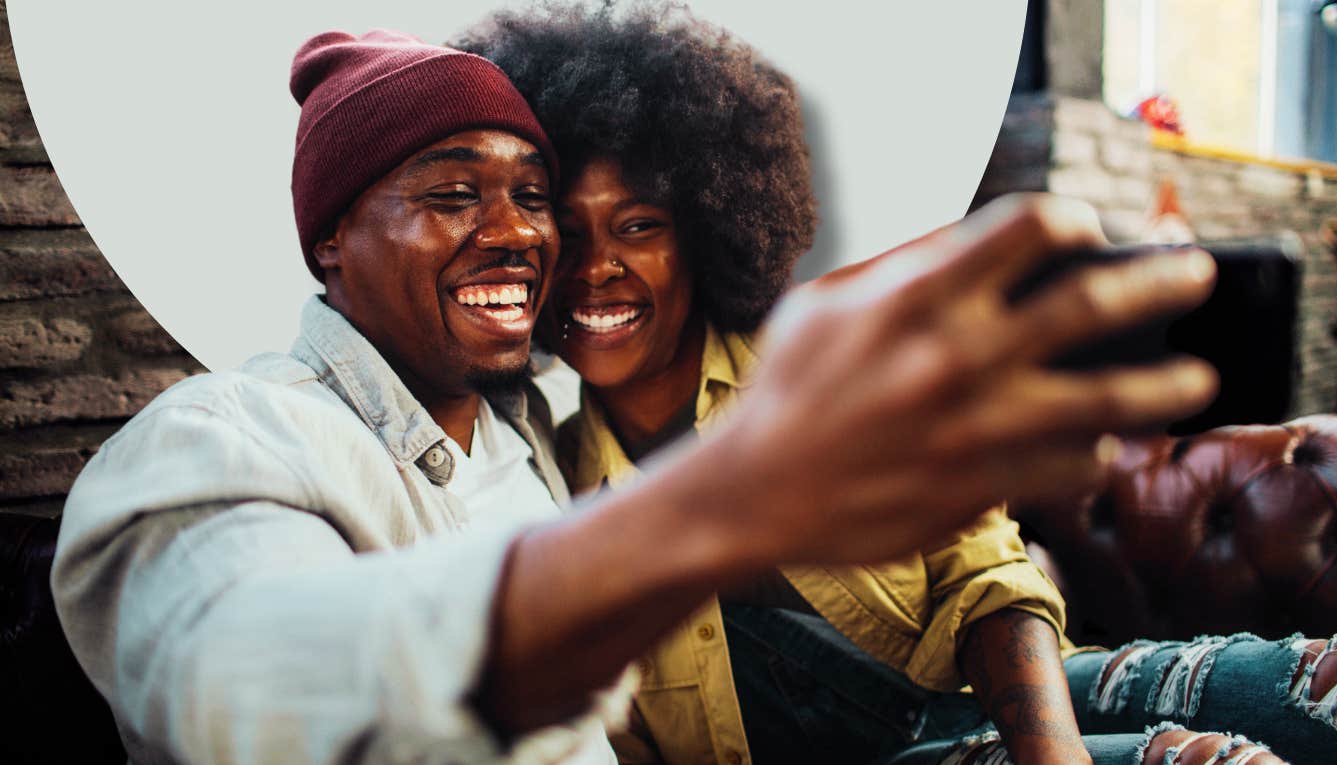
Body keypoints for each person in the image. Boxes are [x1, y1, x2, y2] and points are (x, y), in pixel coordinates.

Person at [53, 27, 1226, 765]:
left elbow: (976, 561)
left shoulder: (532, 435)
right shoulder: (220, 439)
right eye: (454, 193)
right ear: (328, 242)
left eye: (529, 196)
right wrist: (713, 506)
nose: (518, 235)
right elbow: (232, 680)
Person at [461, 4, 1337, 765]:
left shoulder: (825, 368)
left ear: (704, 226)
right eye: (566, 236)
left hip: (1000, 697)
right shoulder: (550, 491)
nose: (596, 270)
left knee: (1332, 683)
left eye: (639, 224)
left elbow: (986, 565)